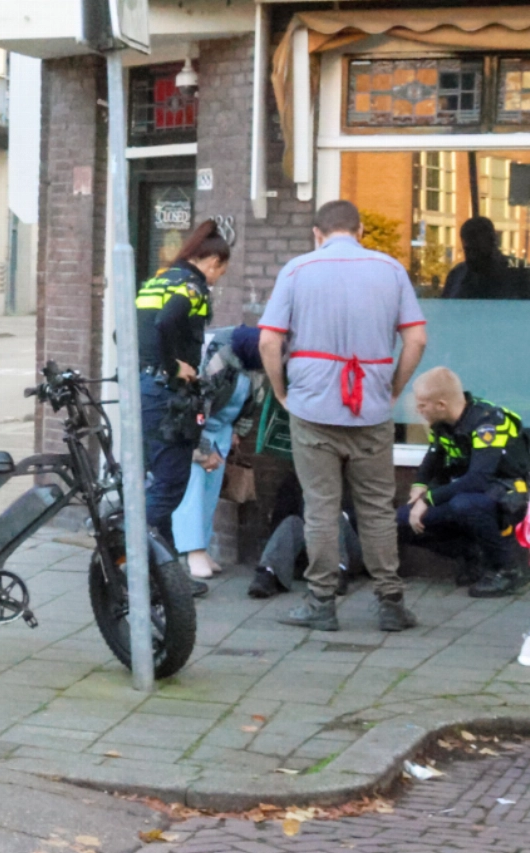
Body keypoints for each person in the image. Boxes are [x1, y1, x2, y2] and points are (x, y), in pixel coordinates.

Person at [259, 199, 428, 633]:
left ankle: (321, 603)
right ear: (360, 232)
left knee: (320, 508)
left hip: (312, 406)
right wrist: (391, 388)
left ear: (317, 233)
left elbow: (268, 343)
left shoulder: (297, 270)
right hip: (370, 407)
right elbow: (417, 340)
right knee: (375, 507)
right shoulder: (391, 270)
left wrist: (282, 392)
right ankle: (390, 602)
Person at [136, 220, 231, 597]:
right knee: (170, 484)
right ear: (212, 262)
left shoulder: (156, 280)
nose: (219, 279)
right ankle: (130, 558)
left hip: (143, 389)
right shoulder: (192, 288)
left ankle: (164, 576)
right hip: (166, 394)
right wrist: (173, 366)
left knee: (159, 478)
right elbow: (166, 322)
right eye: (221, 270)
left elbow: (122, 332)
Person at [398, 367, 530, 598]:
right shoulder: (442, 422)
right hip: (471, 493)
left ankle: (507, 570)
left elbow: (478, 479)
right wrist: (419, 484)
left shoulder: (487, 423)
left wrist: (429, 498)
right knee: (398, 522)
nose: (418, 411)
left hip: (509, 494)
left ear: (441, 404)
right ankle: (471, 554)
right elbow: (434, 454)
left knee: (465, 504)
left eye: (422, 405)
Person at [172, 325, 267, 579]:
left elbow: (252, 403)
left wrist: (237, 432)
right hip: (198, 431)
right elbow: (197, 407)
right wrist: (201, 452)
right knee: (192, 489)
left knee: (210, 493)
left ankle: (202, 547)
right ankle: (192, 551)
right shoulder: (217, 361)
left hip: (223, 432)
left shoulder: (255, 369)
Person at [249, 472, 362, 599]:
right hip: (309, 551)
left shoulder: (350, 480)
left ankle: (337, 573)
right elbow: (278, 524)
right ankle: (268, 573)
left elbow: (363, 523)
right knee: (291, 522)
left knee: (332, 515)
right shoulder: (293, 482)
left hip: (347, 549)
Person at [441, 217, 529, 300]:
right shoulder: (456, 274)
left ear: (493, 242)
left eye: (477, 250)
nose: (472, 257)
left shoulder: (521, 272)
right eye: (468, 250)